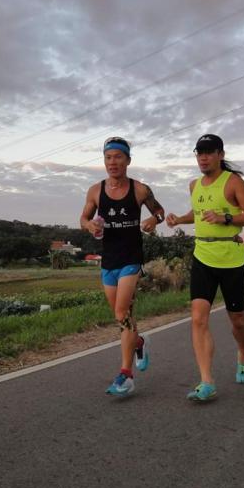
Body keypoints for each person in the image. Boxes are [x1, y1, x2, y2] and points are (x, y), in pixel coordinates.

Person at [166, 134, 244, 402]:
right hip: (202, 256)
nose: (203, 158)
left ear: (220, 154)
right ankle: (206, 381)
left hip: (231, 259)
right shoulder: (194, 185)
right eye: (199, 153)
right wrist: (179, 219)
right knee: (198, 318)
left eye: (209, 152)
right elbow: (197, 214)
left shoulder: (233, 182)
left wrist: (225, 217)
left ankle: (243, 355)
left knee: (238, 320)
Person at [80, 136, 165, 397]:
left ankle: (125, 375)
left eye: (118, 157)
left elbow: (159, 211)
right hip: (109, 260)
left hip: (131, 258)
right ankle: (139, 342)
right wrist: (90, 225)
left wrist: (153, 220)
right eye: (108, 157)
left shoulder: (140, 190)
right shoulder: (95, 191)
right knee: (120, 316)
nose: (112, 162)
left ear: (128, 160)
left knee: (122, 311)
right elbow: (83, 218)